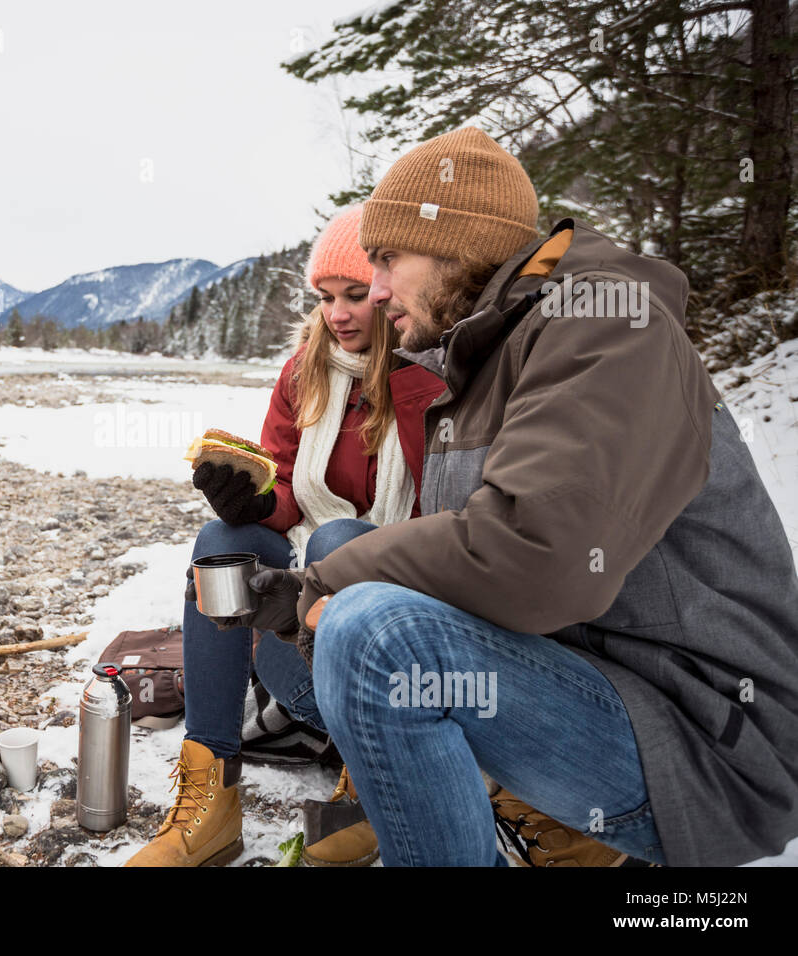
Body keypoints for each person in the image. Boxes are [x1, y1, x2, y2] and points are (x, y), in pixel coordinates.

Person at [245, 126, 798, 866]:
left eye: (384, 261)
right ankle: (472, 812)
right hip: (600, 675)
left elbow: (537, 556)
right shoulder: (491, 352)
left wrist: (321, 588)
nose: (372, 294)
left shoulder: (605, 325)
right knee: (349, 551)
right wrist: (319, 572)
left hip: (708, 737)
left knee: (376, 632)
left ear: (459, 246)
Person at [124, 206, 446, 868]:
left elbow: (453, 527)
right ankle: (212, 798)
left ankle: (370, 785)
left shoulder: (436, 378)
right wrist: (251, 501)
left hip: (404, 668)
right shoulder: (306, 372)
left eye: (355, 294)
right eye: (326, 298)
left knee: (341, 543)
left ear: (390, 289)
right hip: (302, 654)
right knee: (224, 540)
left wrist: (411, 383)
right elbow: (291, 493)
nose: (339, 313)